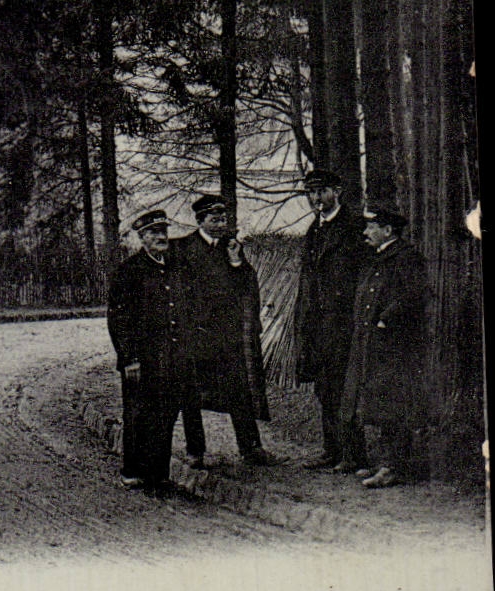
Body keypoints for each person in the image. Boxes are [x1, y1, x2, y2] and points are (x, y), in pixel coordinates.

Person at [170, 194, 285, 468]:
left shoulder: (232, 248)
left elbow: (247, 284)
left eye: (223, 219)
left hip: (227, 335)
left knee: (239, 391)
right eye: (214, 219)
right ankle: (195, 450)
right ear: (200, 221)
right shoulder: (183, 248)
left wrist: (236, 262)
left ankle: (250, 448)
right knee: (192, 395)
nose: (220, 224)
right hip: (196, 334)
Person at [341, 204, 431, 489]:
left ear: (388, 230)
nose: (366, 232)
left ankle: (393, 467)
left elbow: (414, 295)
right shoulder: (378, 258)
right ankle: (384, 463)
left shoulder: (406, 258)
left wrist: (385, 321)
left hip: (395, 345)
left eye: (372, 227)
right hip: (374, 344)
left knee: (394, 403)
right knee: (378, 402)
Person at [106, 210, 190, 493]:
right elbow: (119, 319)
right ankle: (133, 471)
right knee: (139, 414)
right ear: (142, 238)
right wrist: (129, 358)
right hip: (142, 358)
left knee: (166, 413)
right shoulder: (130, 271)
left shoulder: (175, 268)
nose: (161, 237)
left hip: (171, 355)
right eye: (153, 233)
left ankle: (158, 475)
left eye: (163, 231)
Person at [292, 169, 368, 471]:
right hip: (317, 322)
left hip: (343, 321)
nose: (315, 198)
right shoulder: (314, 230)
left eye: (321, 191)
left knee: (343, 386)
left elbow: (362, 274)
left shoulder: (354, 227)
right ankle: (331, 449)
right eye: (310, 193)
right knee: (323, 386)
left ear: (337, 191)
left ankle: (353, 454)